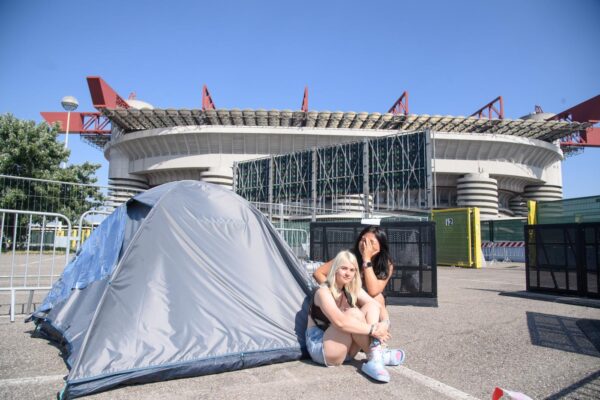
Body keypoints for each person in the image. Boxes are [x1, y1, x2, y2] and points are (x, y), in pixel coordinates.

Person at [305, 250, 405, 383]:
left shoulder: (350, 289)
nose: (348, 273)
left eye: (352, 270)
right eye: (344, 268)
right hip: (322, 348)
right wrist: (373, 329)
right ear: (335, 269)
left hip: (344, 348)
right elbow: (340, 323)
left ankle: (375, 355)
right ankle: (376, 355)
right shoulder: (323, 292)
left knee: (371, 306)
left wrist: (385, 323)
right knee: (354, 313)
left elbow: (377, 306)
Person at [313, 226, 393, 308]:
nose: (364, 245)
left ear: (381, 246)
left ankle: (378, 320)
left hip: (367, 298)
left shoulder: (386, 264)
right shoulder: (349, 256)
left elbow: (373, 291)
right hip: (349, 294)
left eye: (371, 242)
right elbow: (318, 273)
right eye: (363, 240)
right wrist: (336, 290)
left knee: (378, 298)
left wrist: (367, 259)